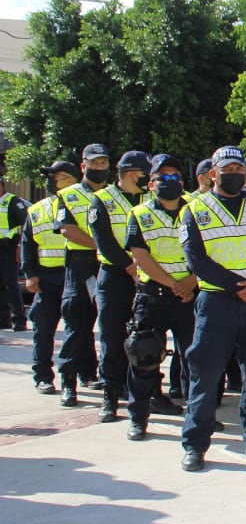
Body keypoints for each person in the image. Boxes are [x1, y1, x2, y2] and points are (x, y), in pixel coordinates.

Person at [178, 146, 246, 471]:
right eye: (228, 168)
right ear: (213, 173)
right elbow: (195, 258)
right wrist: (237, 286)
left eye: (240, 168)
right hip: (216, 301)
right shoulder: (195, 209)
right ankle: (195, 444)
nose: (236, 173)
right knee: (206, 374)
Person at [122, 154, 198, 441]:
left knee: (195, 357)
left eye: (175, 177)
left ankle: (197, 415)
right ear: (151, 184)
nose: (170, 182)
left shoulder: (196, 210)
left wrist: (190, 282)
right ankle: (138, 417)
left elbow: (208, 252)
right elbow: (141, 256)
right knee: (144, 355)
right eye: (163, 178)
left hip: (191, 294)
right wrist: (172, 284)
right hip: (153, 295)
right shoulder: (139, 214)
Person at [88, 150, 153, 423]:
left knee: (147, 339)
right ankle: (110, 395)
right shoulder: (101, 200)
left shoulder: (152, 199)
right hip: (115, 276)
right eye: (144, 173)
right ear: (129, 174)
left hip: (147, 277)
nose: (149, 178)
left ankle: (147, 394)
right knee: (112, 339)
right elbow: (102, 240)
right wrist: (131, 265)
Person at [55, 144, 116, 404]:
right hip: (82, 264)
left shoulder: (116, 196)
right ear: (83, 166)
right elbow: (67, 229)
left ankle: (106, 378)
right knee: (77, 324)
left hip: (110, 265)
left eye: (103, 163)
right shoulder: (67, 195)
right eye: (94, 163)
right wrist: (103, 245)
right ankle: (69, 382)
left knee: (112, 326)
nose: (99, 168)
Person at [22, 161, 76, 393]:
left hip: (75, 274)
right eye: (52, 178)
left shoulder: (81, 204)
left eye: (59, 177)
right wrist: (30, 274)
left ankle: (81, 374)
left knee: (78, 329)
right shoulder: (37, 209)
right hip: (46, 278)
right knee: (43, 329)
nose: (53, 182)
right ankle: (43, 375)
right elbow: (27, 244)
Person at [0, 156, 30, 332]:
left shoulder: (12, 201)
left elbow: (25, 225)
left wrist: (20, 247)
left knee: (11, 285)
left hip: (8, 249)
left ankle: (19, 319)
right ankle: (4, 320)